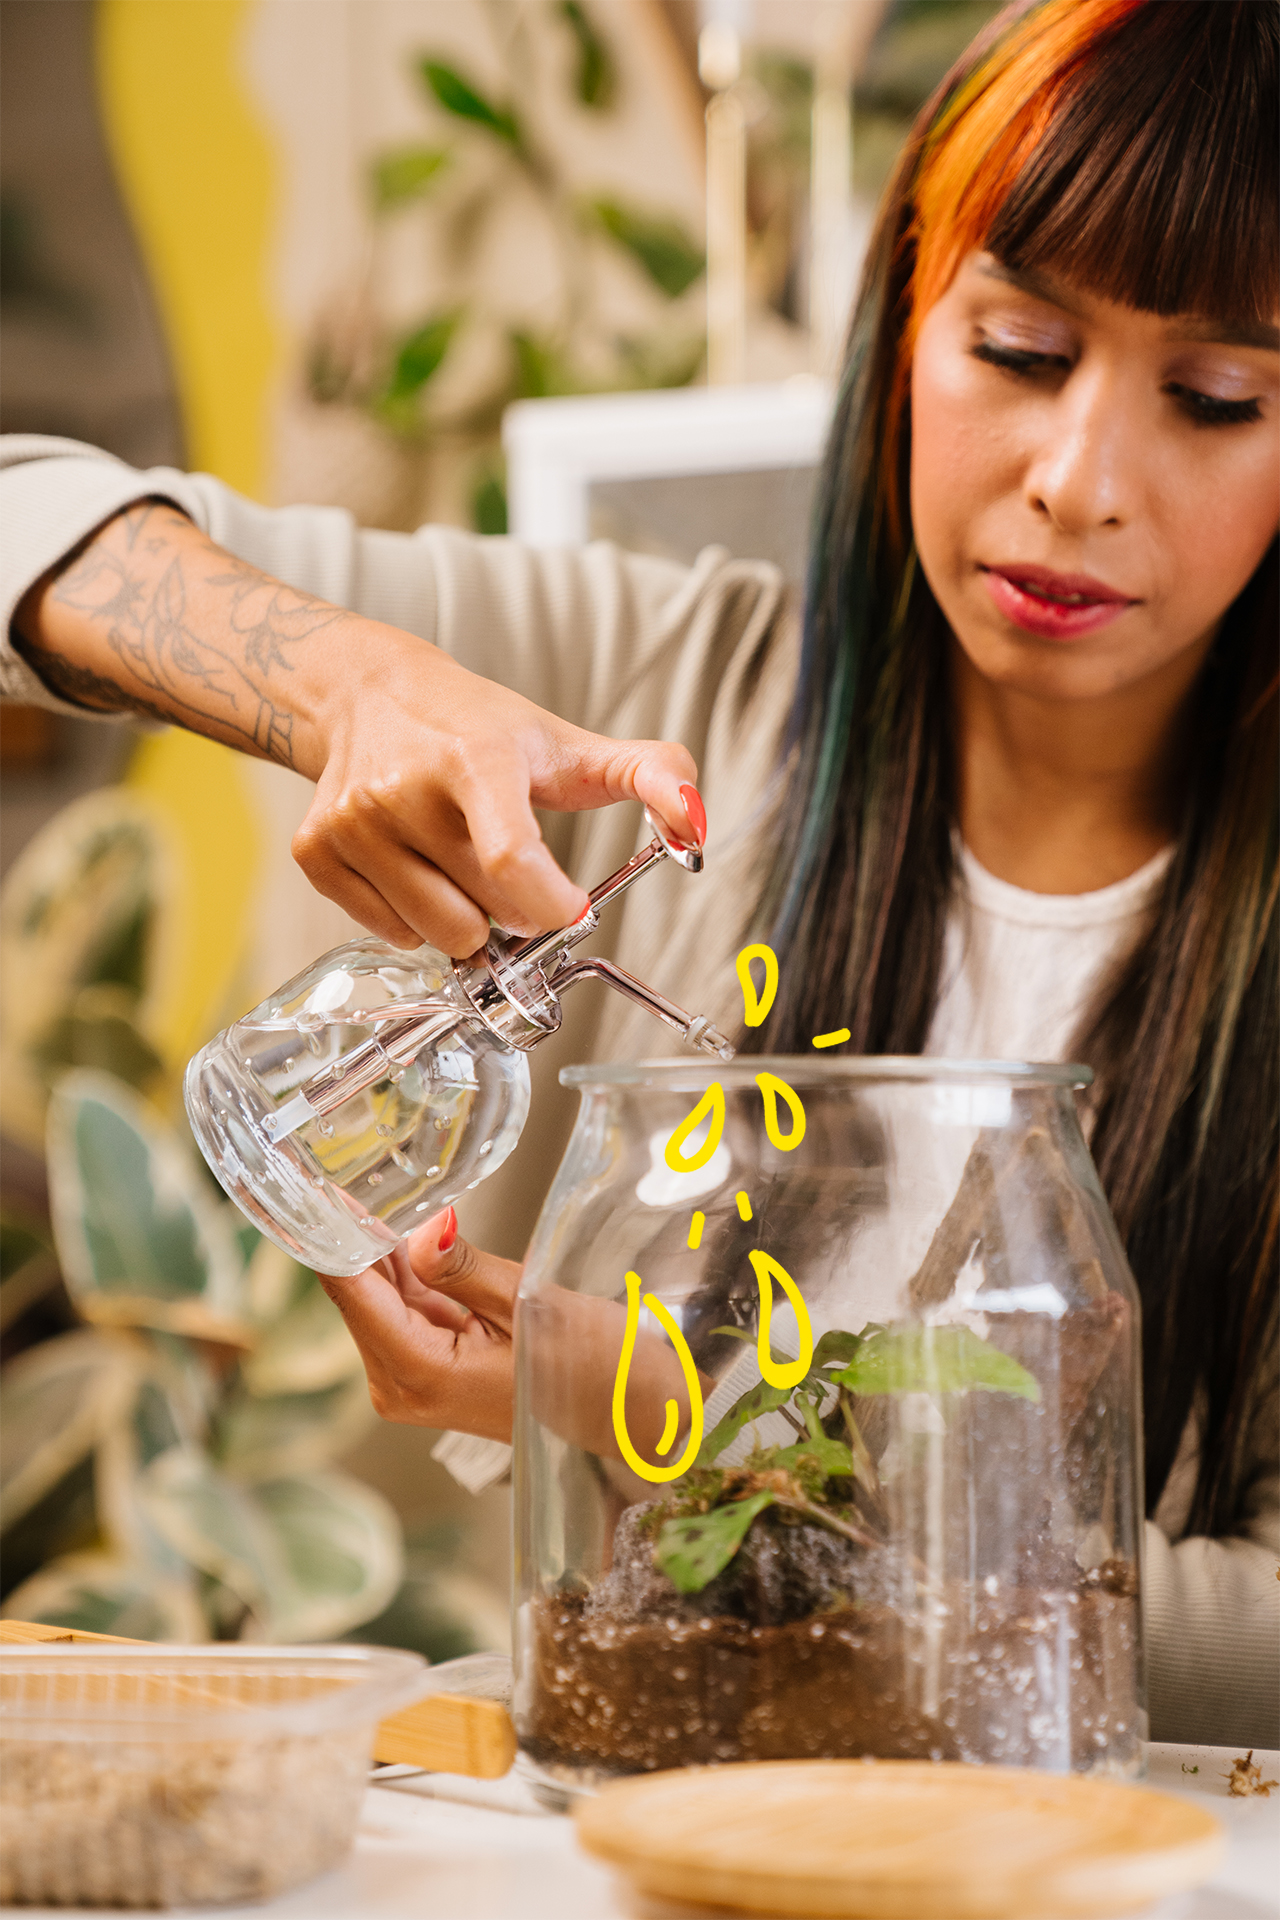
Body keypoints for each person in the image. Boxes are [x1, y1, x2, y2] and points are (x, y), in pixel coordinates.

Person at [0, 0, 1274, 1747]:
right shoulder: (658, 701)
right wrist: (341, 681)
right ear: (905, 324)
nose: (1080, 483)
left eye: (1214, 400)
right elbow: (23, 524)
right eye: (1022, 352)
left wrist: (686, 1405)